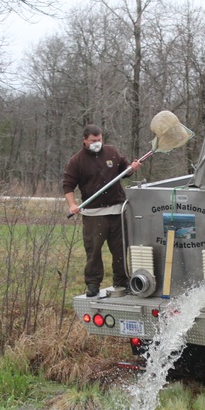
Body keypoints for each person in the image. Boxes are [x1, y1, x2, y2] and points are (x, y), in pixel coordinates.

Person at [63, 124, 141, 297]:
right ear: (85, 141)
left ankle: (121, 282)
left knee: (120, 249)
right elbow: (68, 185)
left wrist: (132, 169)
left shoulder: (112, 152)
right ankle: (93, 284)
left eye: (99, 140)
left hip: (117, 211)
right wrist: (72, 204)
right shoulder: (77, 161)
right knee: (94, 251)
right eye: (93, 140)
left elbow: (125, 170)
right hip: (94, 214)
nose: (97, 143)